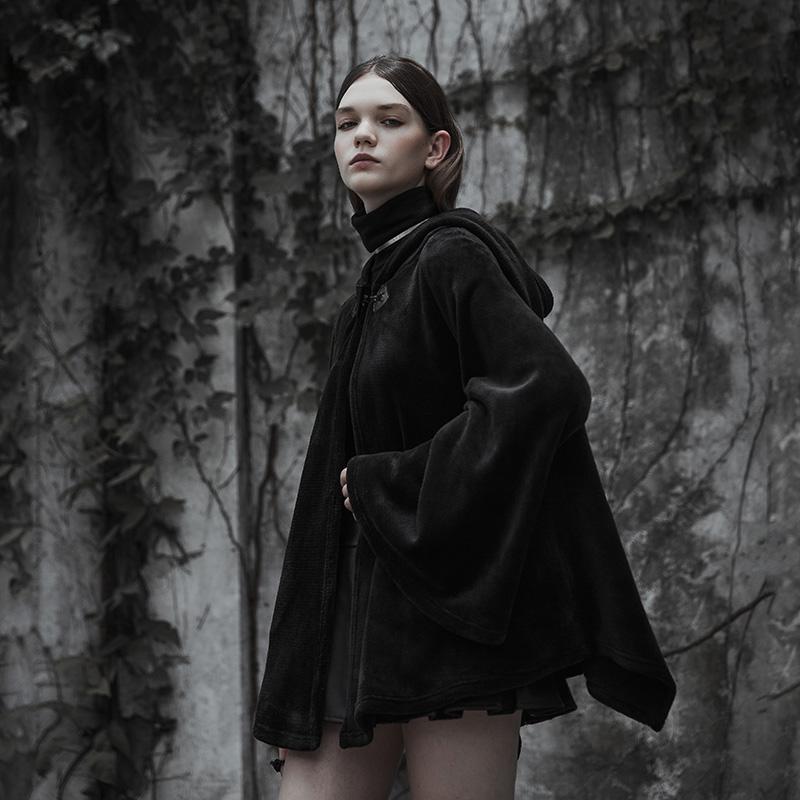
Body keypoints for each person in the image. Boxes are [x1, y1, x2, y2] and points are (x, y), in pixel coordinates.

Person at [252, 54, 676, 799]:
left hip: (446, 610)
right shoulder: (372, 289)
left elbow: (544, 388)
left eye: (389, 120)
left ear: (435, 147)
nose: (362, 136)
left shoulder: (451, 254)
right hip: (350, 612)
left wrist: (395, 481)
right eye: (347, 123)